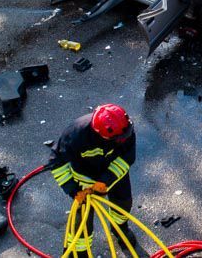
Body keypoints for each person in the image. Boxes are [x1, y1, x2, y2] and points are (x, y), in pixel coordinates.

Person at [49, 104, 140, 256]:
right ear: (100, 134)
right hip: (85, 180)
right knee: (82, 220)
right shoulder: (75, 135)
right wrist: (73, 190)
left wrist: (106, 180)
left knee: (123, 202)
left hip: (115, 173)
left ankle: (120, 228)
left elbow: (127, 158)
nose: (123, 140)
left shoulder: (123, 130)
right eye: (118, 139)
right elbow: (56, 163)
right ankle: (79, 251)